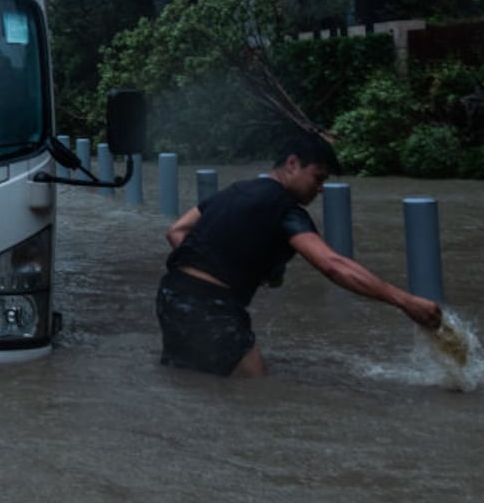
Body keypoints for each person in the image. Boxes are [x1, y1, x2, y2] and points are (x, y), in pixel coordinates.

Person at [155, 132, 441, 378]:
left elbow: (177, 231)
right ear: (292, 164)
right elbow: (332, 265)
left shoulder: (236, 190)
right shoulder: (286, 209)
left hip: (171, 296)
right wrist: (404, 301)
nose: (319, 189)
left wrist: (219, 263)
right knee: (256, 390)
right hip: (210, 309)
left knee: (193, 382)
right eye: (317, 178)